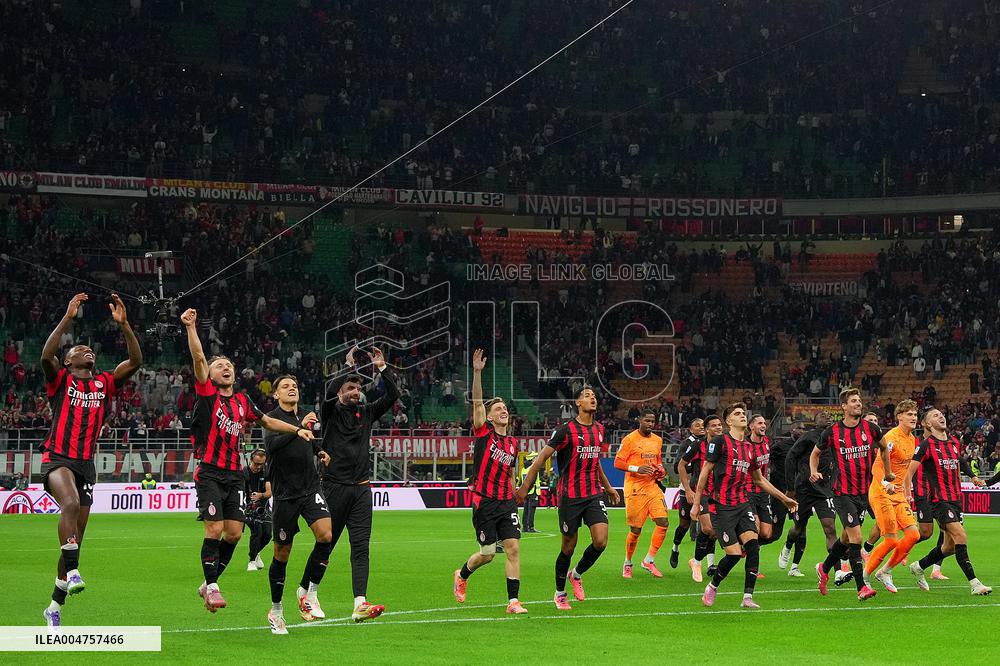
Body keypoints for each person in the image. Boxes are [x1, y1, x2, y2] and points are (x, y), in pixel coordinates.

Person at [182, 308, 313, 612]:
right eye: (219, 366)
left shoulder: (242, 401)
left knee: (235, 533)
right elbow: (199, 360)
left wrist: (297, 429)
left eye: (228, 365)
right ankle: (213, 586)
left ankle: (207, 582)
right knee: (214, 530)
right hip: (210, 472)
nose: (225, 367)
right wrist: (191, 328)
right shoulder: (207, 395)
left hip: (234, 475)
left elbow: (267, 421)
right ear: (211, 375)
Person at [40, 293, 142, 627]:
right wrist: (68, 317)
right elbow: (45, 355)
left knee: (75, 539)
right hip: (57, 458)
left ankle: (54, 606)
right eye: (79, 350)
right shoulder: (60, 379)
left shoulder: (105, 382)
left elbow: (136, 361)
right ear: (67, 361)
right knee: (68, 505)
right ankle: (72, 572)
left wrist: (125, 326)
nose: (87, 351)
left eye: (90, 350)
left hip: (86, 465)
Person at [517, 387, 619, 610]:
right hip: (569, 496)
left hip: (593, 493)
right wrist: (524, 487)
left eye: (594, 395)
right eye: (587, 395)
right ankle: (560, 592)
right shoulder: (565, 431)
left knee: (600, 541)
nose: (592, 398)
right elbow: (542, 458)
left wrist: (608, 487)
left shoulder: (600, 430)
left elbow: (595, 461)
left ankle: (577, 574)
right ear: (578, 403)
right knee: (568, 547)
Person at [320, 345, 399, 622]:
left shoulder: (366, 412)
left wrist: (381, 368)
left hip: (362, 489)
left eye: (357, 388)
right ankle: (309, 591)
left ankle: (359, 603)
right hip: (334, 486)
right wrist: (347, 367)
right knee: (326, 543)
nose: (355, 391)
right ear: (341, 391)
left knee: (361, 547)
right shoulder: (330, 412)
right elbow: (328, 394)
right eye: (349, 387)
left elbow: (394, 394)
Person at [691, 403, 797, 609]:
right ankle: (712, 586)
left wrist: (784, 498)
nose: (742, 416)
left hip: (743, 504)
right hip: (722, 507)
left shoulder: (749, 448)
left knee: (753, 546)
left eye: (743, 413)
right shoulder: (720, 442)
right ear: (728, 421)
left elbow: (759, 480)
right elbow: (705, 472)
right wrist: (696, 503)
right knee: (733, 554)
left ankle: (747, 597)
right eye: (737, 414)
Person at [453, 349, 527, 614]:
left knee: (513, 548)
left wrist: (514, 491)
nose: (503, 410)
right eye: (498, 409)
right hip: (484, 501)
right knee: (487, 554)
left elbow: (509, 473)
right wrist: (476, 372)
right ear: (490, 417)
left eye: (505, 407)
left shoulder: (512, 443)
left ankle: (513, 602)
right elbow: (476, 403)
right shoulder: (484, 433)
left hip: (505, 502)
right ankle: (461, 575)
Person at [264, 375, 333, 635]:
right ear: (276, 395)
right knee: (282, 554)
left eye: (294, 385)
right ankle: (276, 609)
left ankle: (308, 591)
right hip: (284, 495)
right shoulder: (270, 418)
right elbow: (272, 447)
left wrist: (320, 452)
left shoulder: (305, 416)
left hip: (310, 488)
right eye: (285, 386)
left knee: (326, 535)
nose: (292, 388)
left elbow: (308, 443)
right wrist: (298, 428)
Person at [809, 388, 893, 601]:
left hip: (862, 494)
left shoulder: (871, 428)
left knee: (846, 538)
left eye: (859, 400)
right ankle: (861, 587)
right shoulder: (832, 432)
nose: (858, 403)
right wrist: (813, 471)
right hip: (842, 493)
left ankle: (824, 567)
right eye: (854, 401)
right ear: (844, 406)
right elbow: (815, 453)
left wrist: (889, 471)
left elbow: (884, 447)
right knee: (856, 537)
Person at [907, 408, 992, 595]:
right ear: (928, 424)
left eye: (941, 414)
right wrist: (907, 491)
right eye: (935, 416)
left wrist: (973, 476)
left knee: (949, 547)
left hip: (955, 499)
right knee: (960, 535)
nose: (941, 416)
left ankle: (919, 566)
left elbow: (960, 461)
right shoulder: (926, 445)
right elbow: (910, 470)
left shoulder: (953, 442)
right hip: (939, 500)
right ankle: (975, 584)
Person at [862, 401, 921, 593]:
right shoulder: (890, 437)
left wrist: (906, 491)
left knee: (913, 535)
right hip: (881, 491)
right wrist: (886, 483)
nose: (913, 418)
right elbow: (877, 466)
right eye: (909, 414)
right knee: (891, 540)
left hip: (898, 494)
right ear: (899, 417)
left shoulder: (912, 438)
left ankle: (885, 571)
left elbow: (904, 470)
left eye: (915, 414)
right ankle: (864, 576)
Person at [614, 408, 668, 579]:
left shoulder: (658, 440)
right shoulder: (630, 439)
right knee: (636, 530)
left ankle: (649, 560)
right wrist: (637, 468)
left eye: (653, 421)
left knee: (663, 522)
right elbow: (617, 462)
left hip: (652, 486)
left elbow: (658, 462)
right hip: (635, 489)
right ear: (640, 420)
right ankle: (628, 562)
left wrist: (661, 471)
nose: (651, 424)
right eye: (648, 421)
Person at [679, 415, 724, 582]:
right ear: (706, 429)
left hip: (719, 493)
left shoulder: (724, 445)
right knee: (708, 529)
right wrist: (688, 490)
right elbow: (681, 465)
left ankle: (696, 561)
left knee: (714, 532)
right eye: (714, 426)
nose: (718, 428)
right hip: (702, 491)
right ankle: (697, 563)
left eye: (720, 425)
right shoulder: (698, 445)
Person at [669, 418, 704, 569]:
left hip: (705, 489)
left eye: (703, 425)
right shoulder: (687, 444)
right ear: (690, 429)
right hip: (688, 488)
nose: (701, 427)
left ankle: (707, 563)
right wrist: (695, 467)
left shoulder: (711, 443)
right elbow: (678, 467)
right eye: (697, 425)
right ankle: (675, 548)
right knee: (684, 524)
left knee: (707, 526)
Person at [243, 449, 272, 572]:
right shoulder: (244, 472)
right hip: (249, 508)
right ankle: (251, 560)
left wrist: (261, 495)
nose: (258, 467)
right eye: (256, 464)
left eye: (261, 464)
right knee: (257, 532)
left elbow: (269, 492)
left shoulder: (266, 472)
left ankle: (256, 553)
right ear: (251, 460)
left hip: (264, 507)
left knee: (267, 535)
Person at [520, 452, 540, 533]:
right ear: (532, 460)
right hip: (532, 491)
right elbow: (533, 481)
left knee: (526, 510)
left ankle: (524, 526)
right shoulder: (533, 468)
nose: (536, 459)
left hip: (526, 492)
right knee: (531, 510)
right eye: (535, 458)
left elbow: (521, 481)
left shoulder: (523, 469)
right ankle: (530, 527)